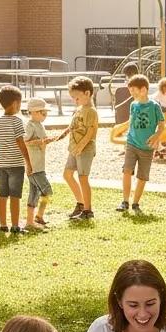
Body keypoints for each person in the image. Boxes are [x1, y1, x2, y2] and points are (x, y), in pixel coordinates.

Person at [117, 74, 164, 214]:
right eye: (130, 91)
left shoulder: (155, 106)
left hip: (147, 148)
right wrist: (125, 138)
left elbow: (161, 125)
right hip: (132, 144)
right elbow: (131, 123)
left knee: (142, 176)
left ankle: (135, 203)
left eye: (133, 91)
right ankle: (125, 201)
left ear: (143, 90)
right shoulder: (133, 105)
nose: (131, 94)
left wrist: (156, 136)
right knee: (126, 171)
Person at [0, 85, 30, 234]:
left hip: (2, 165)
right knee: (15, 196)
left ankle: (2, 225)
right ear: (15, 103)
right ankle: (15, 226)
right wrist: (28, 161)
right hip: (16, 164)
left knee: (2, 195)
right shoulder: (17, 122)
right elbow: (20, 142)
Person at [58, 75, 97, 220]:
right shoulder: (80, 109)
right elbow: (73, 125)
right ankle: (81, 204)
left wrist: (80, 147)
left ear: (87, 93)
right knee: (67, 175)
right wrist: (63, 134)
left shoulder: (91, 111)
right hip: (74, 148)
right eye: (73, 98)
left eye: (77, 98)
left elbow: (90, 131)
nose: (75, 101)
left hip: (85, 149)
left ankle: (88, 211)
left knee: (83, 177)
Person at [23, 98, 53, 230]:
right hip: (34, 166)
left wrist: (45, 141)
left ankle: (32, 220)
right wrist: (40, 142)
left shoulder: (40, 125)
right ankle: (38, 217)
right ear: (34, 112)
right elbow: (25, 142)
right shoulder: (30, 126)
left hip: (39, 165)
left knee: (34, 193)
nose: (45, 116)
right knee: (46, 191)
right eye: (43, 113)